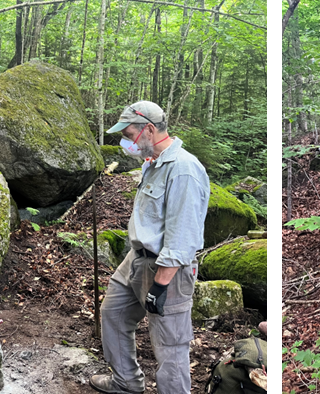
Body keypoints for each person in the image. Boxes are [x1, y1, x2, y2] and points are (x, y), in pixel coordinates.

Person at [90, 101, 210, 394]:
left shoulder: (183, 170)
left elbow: (183, 237)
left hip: (167, 268)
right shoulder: (153, 164)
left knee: (170, 347)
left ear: (149, 129)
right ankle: (126, 381)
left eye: (129, 134)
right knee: (113, 314)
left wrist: (160, 285)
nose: (126, 141)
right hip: (136, 259)